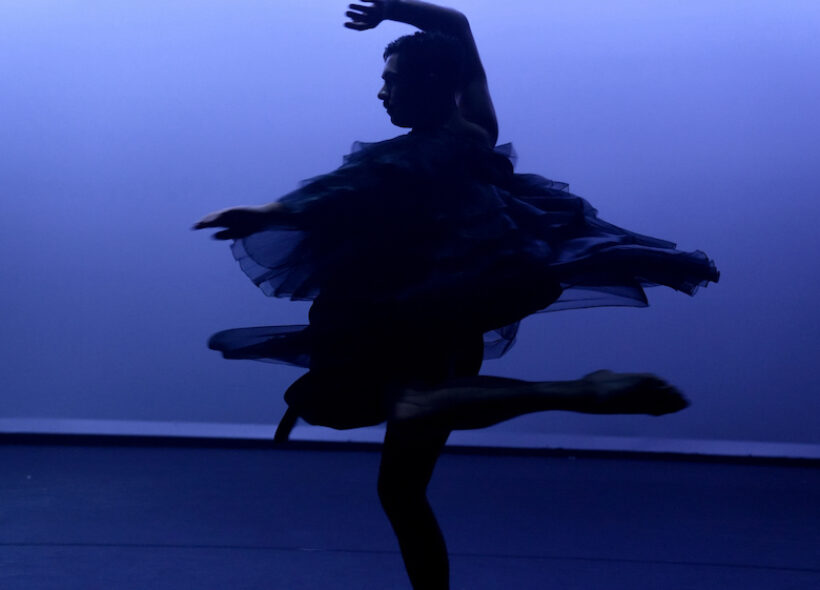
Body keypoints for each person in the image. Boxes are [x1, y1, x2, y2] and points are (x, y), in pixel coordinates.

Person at [194, 2, 719, 588]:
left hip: (410, 329)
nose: (381, 94)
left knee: (393, 417)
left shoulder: (411, 154)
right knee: (400, 487)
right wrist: (394, 11)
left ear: (428, 84)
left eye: (390, 81)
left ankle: (578, 391)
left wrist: (266, 210)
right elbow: (459, 27)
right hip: (452, 328)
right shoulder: (475, 133)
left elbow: (339, 189)